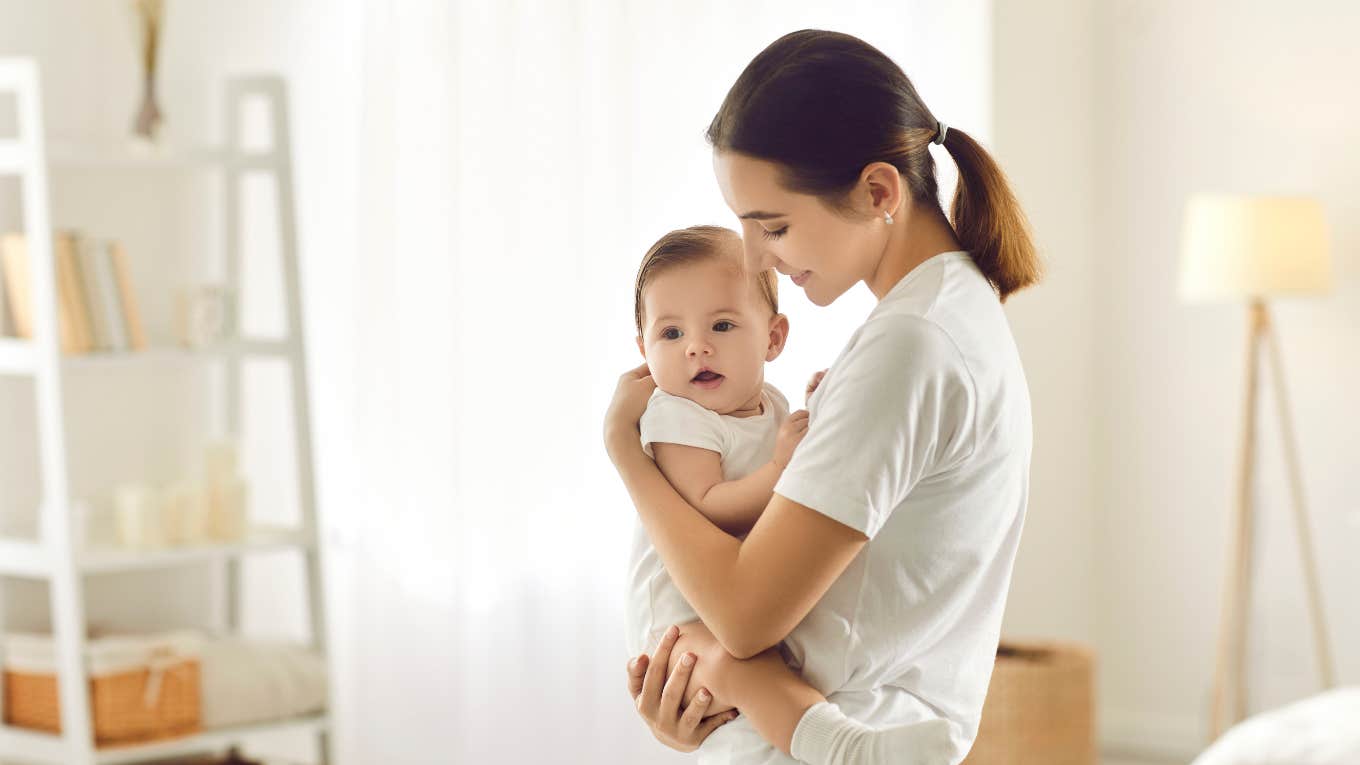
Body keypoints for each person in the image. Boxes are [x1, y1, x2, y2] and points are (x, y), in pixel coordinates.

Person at [603, 29, 1041, 764]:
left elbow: (744, 617)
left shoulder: (916, 342)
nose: (754, 259)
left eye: (772, 226)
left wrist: (626, 452)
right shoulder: (946, 313)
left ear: (877, 192)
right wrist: (696, 689)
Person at [625, 224, 810, 686]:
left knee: (772, 667)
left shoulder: (773, 403)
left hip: (733, 599)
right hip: (678, 620)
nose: (696, 346)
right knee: (748, 673)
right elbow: (708, 507)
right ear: (645, 351)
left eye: (722, 325)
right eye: (671, 333)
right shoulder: (676, 415)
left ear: (773, 338)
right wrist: (782, 467)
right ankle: (833, 743)